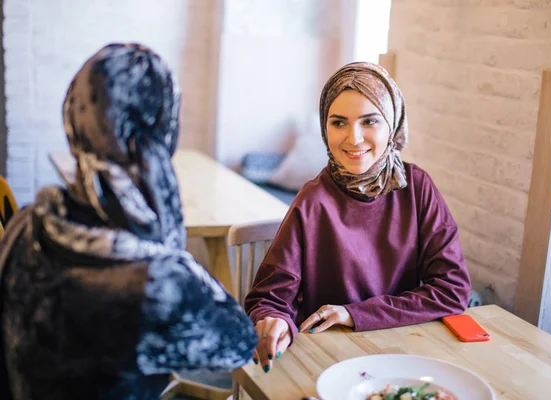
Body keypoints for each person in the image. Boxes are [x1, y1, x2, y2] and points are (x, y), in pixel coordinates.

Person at [0, 43, 257, 400]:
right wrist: (170, 247)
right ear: (165, 130)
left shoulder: (23, 225)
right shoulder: (158, 282)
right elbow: (240, 343)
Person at [245, 62, 471, 373]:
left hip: (404, 353)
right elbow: (269, 298)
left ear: (392, 125)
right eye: (339, 123)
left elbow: (452, 289)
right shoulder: (313, 201)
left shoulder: (417, 188)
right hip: (330, 361)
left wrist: (354, 313)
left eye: (370, 121)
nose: (353, 138)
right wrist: (274, 321)